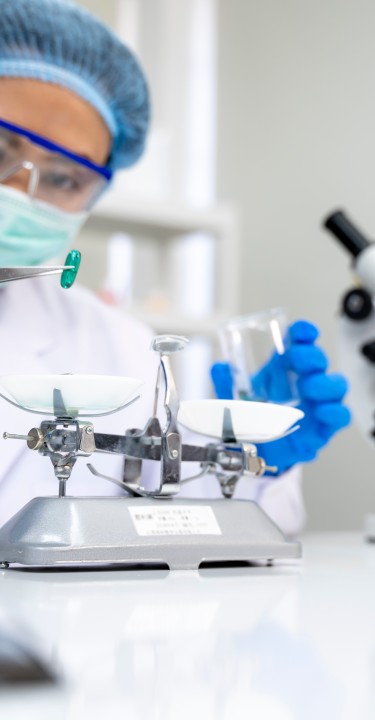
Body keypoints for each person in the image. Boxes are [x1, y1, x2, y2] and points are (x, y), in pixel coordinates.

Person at [0, 0, 350, 535]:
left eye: (64, 177)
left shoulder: (115, 350)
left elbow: (174, 521)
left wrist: (250, 457)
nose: (19, 190)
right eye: (2, 145)